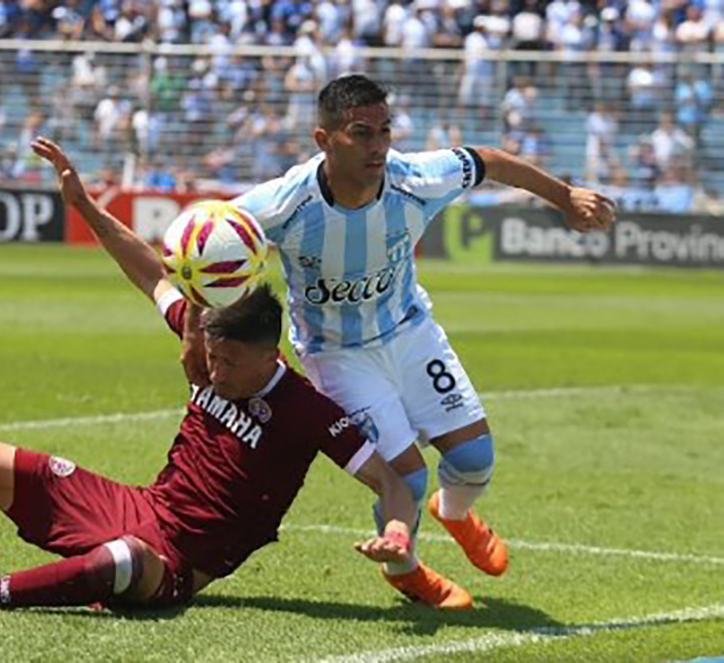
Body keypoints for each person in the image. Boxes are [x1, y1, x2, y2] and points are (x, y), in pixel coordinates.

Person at [0, 136, 416, 612]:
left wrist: (395, 531)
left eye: (229, 363)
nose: (214, 371)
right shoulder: (205, 343)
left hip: (176, 562)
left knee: (122, 561)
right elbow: (150, 273)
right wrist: (85, 206)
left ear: (270, 356)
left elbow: (391, 482)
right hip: (141, 508)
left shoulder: (305, 408)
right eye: (213, 357)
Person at [216, 74, 617, 609]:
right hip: (337, 356)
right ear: (324, 140)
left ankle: (454, 513)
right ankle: (404, 571)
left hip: (410, 332)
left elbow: (490, 160)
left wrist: (564, 198)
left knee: (475, 459)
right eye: (362, 133)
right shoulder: (285, 202)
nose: (378, 145)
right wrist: (194, 324)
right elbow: (209, 239)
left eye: (384, 130)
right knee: (405, 477)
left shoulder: (415, 180)